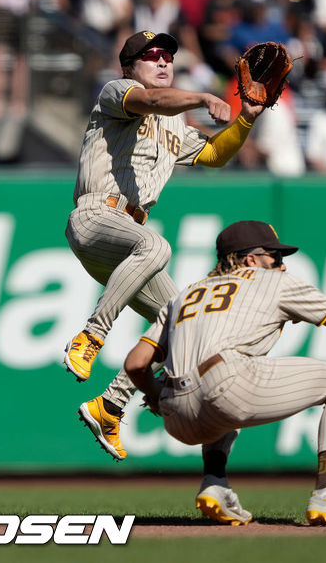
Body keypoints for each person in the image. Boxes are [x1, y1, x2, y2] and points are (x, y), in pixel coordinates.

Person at [64, 30, 264, 460]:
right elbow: (153, 101)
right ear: (129, 67)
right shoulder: (116, 91)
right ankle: (91, 337)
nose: (162, 61)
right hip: (96, 217)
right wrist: (203, 97)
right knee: (157, 247)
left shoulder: (174, 122)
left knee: (183, 324)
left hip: (126, 242)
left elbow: (213, 155)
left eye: (168, 56)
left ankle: (110, 405)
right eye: (151, 55)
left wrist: (245, 119)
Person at [124, 220, 326, 526]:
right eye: (275, 257)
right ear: (251, 259)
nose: (281, 265)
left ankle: (215, 483)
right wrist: (303, 308)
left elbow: (135, 364)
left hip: (177, 416)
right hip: (226, 386)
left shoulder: (184, 295)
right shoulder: (273, 282)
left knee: (219, 383)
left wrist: (158, 394)